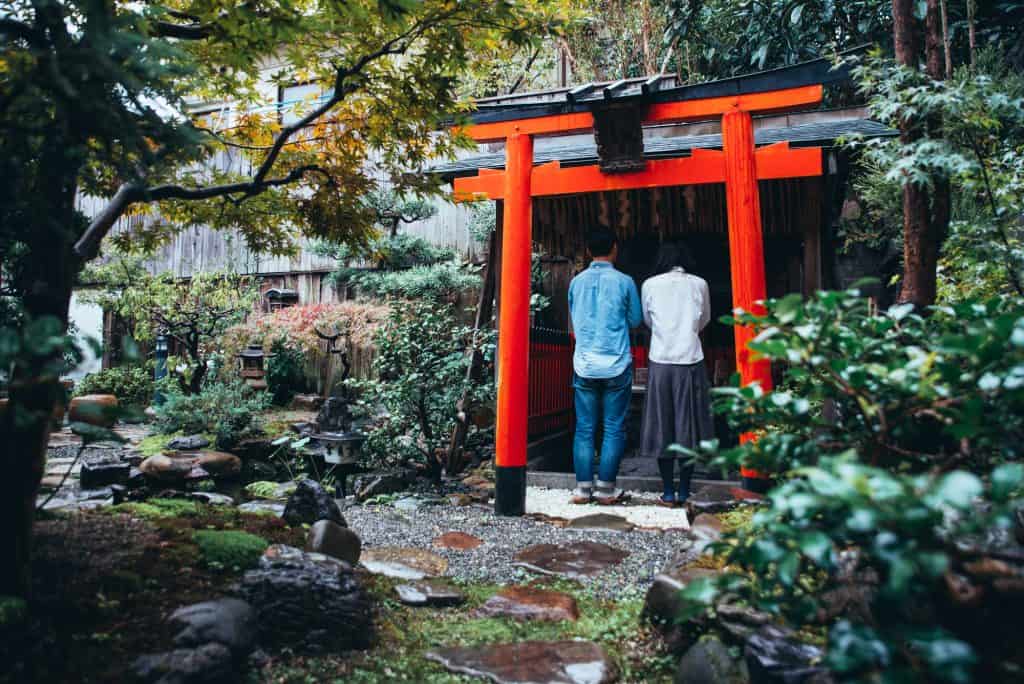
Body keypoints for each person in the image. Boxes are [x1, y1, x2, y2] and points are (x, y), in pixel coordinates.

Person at [568, 228, 642, 504]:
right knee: (613, 427)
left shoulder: (576, 283)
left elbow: (574, 322)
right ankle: (606, 490)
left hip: (585, 363)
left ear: (588, 251)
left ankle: (582, 489)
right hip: (616, 363)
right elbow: (635, 320)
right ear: (614, 249)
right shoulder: (625, 281)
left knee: (584, 428)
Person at [640, 242, 714, 507]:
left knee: (663, 425)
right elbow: (704, 318)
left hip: (660, 359)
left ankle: (668, 492)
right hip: (691, 359)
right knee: (688, 427)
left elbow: (648, 320)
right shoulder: (699, 284)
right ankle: (684, 490)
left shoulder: (649, 284)